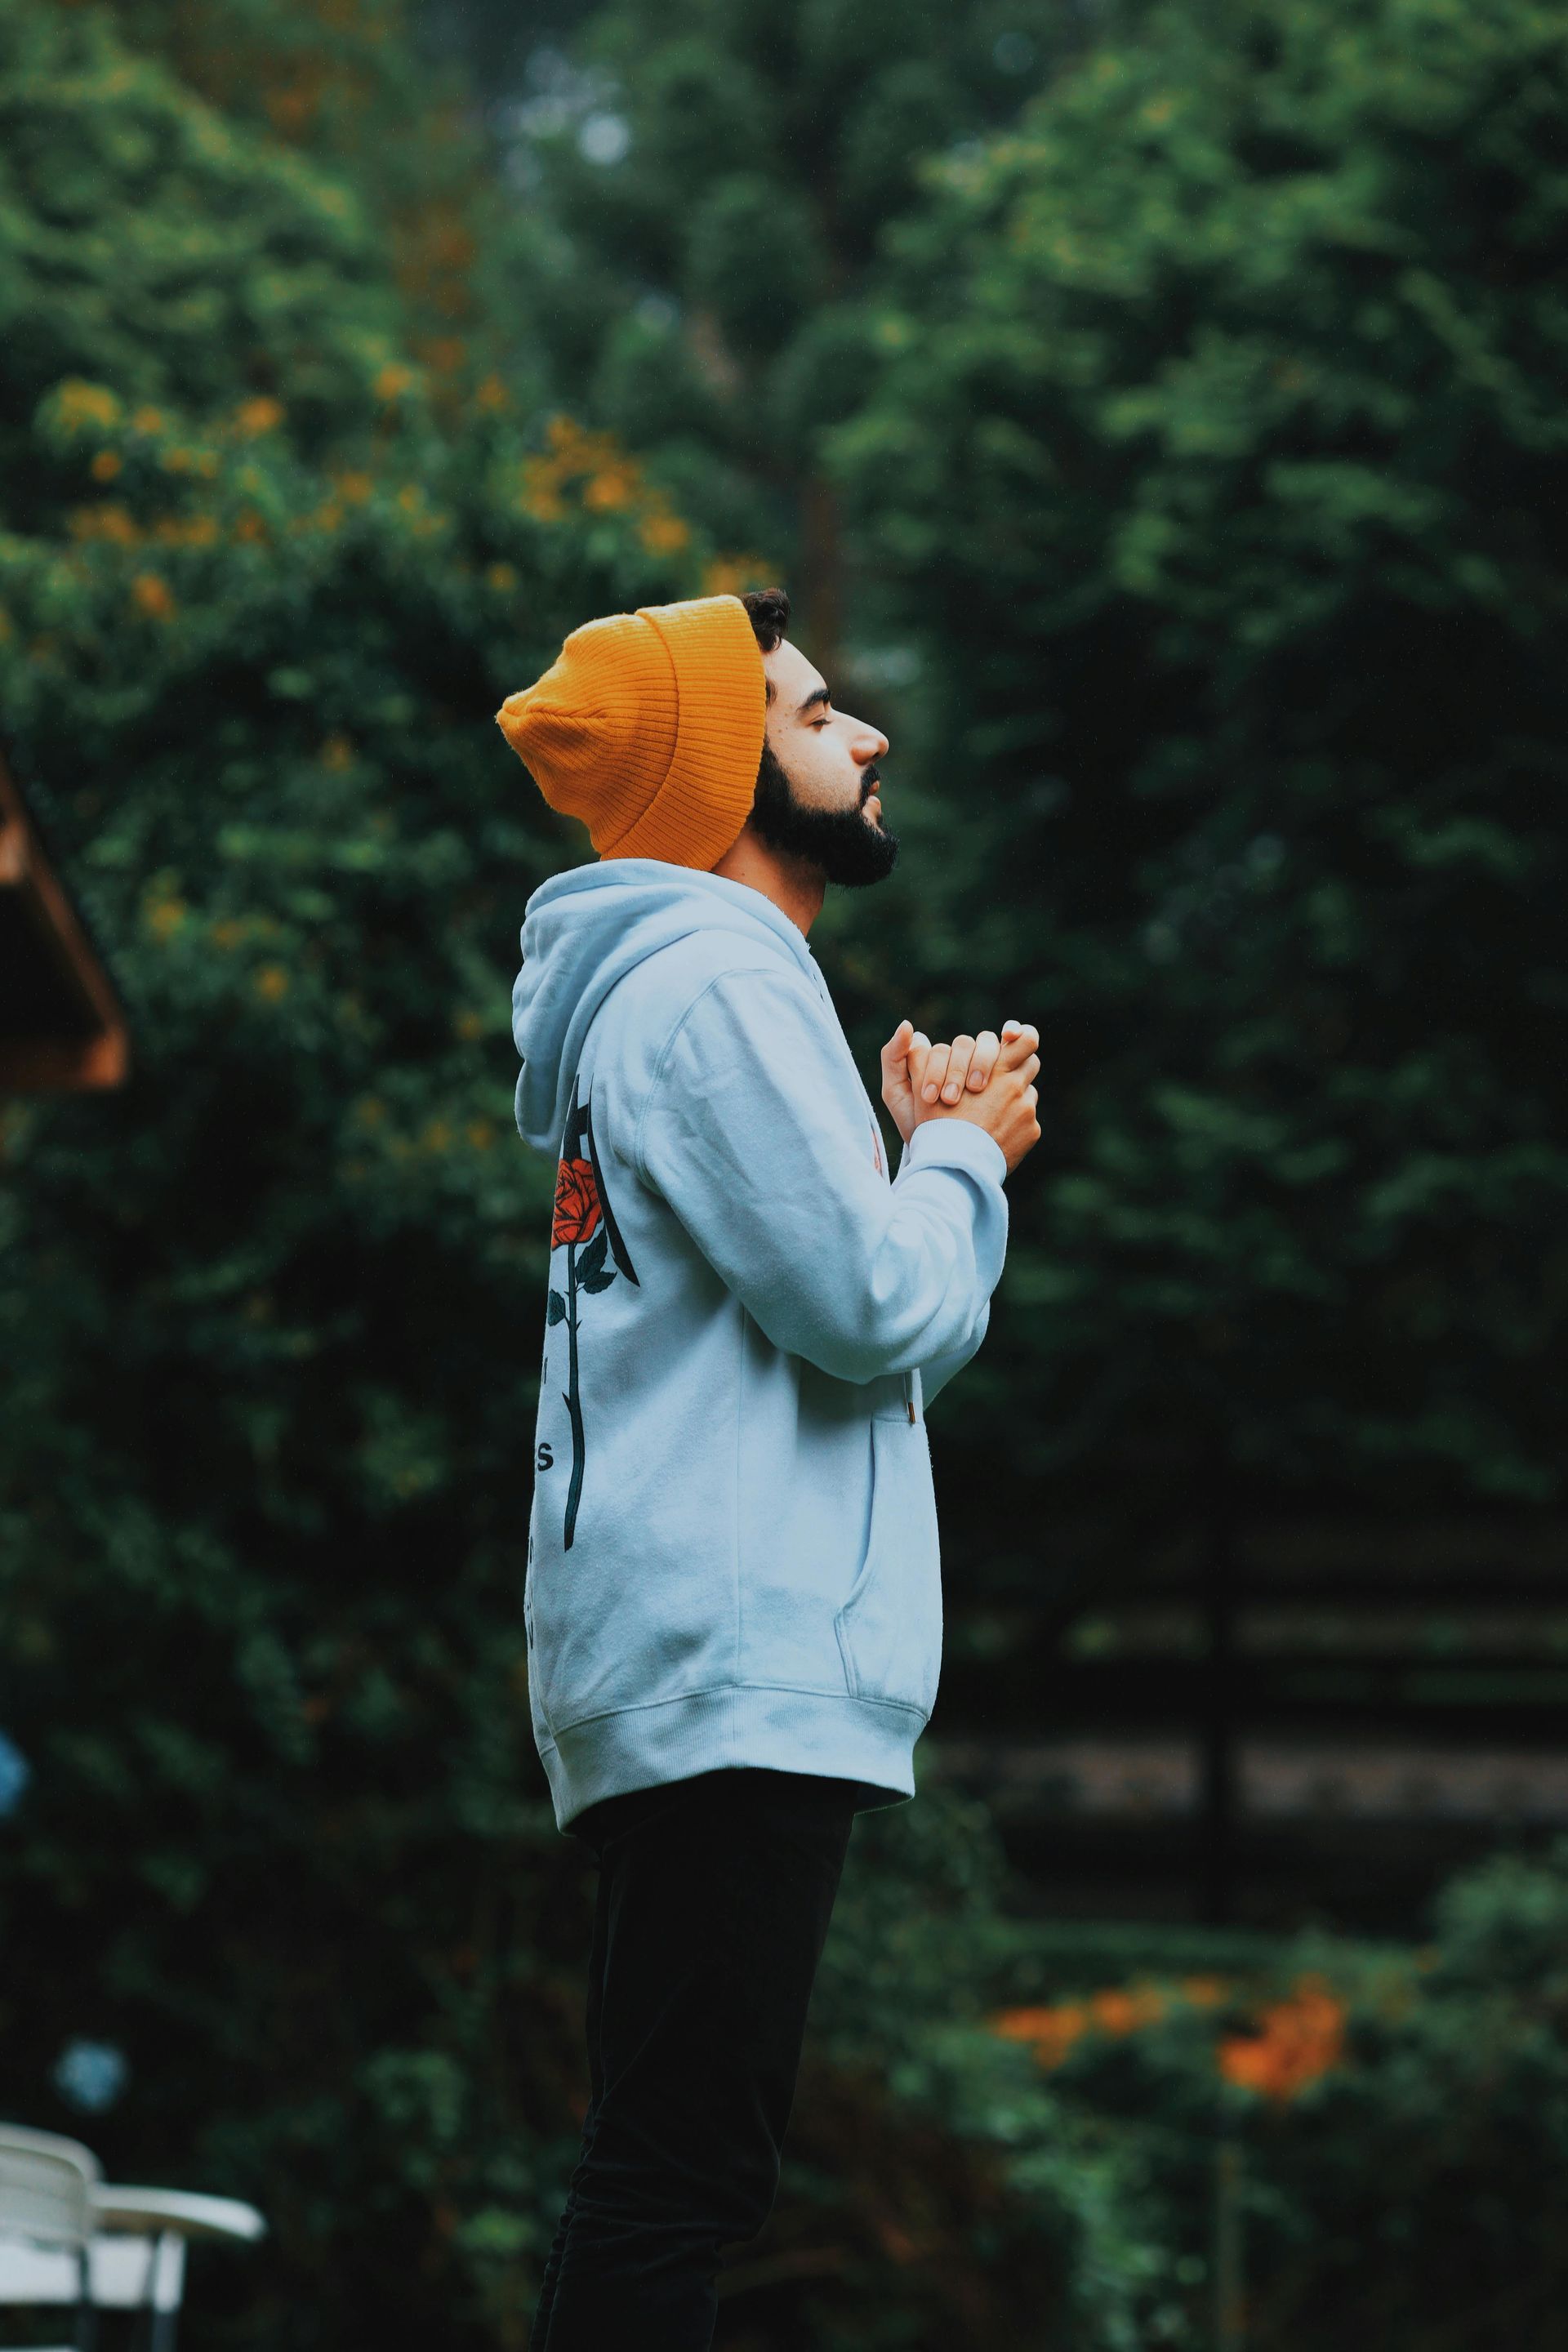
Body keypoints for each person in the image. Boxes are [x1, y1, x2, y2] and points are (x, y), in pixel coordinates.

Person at [496, 586, 1040, 2349]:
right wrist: (957, 1163)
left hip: (691, 1658)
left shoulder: (683, 996)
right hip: (730, 1667)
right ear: (726, 773)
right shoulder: (719, 984)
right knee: (676, 2178)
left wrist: (910, 1157)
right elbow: (879, 1308)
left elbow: (839, 1329)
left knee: (669, 2165)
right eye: (815, 717)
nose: (866, 734)